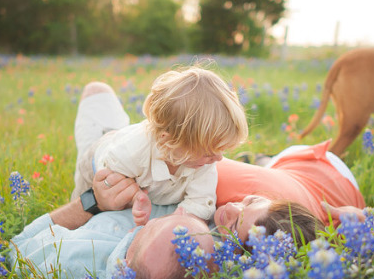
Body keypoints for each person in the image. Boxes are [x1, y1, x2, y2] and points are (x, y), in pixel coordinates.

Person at [9, 77, 366, 279]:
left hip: (165, 148)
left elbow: (197, 204)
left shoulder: (207, 165)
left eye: (233, 222)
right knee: (95, 100)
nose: (229, 208)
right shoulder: (136, 153)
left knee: (99, 92)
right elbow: (110, 174)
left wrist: (179, 216)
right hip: (108, 155)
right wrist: (104, 199)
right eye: (249, 201)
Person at [50, 65, 249, 232]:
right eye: (209, 152)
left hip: (127, 144)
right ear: (168, 142)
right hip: (98, 159)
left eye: (221, 149)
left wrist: (179, 220)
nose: (219, 158)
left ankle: (110, 120)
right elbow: (110, 183)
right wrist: (136, 198)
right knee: (82, 217)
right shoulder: (130, 152)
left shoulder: (203, 163)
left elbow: (200, 202)